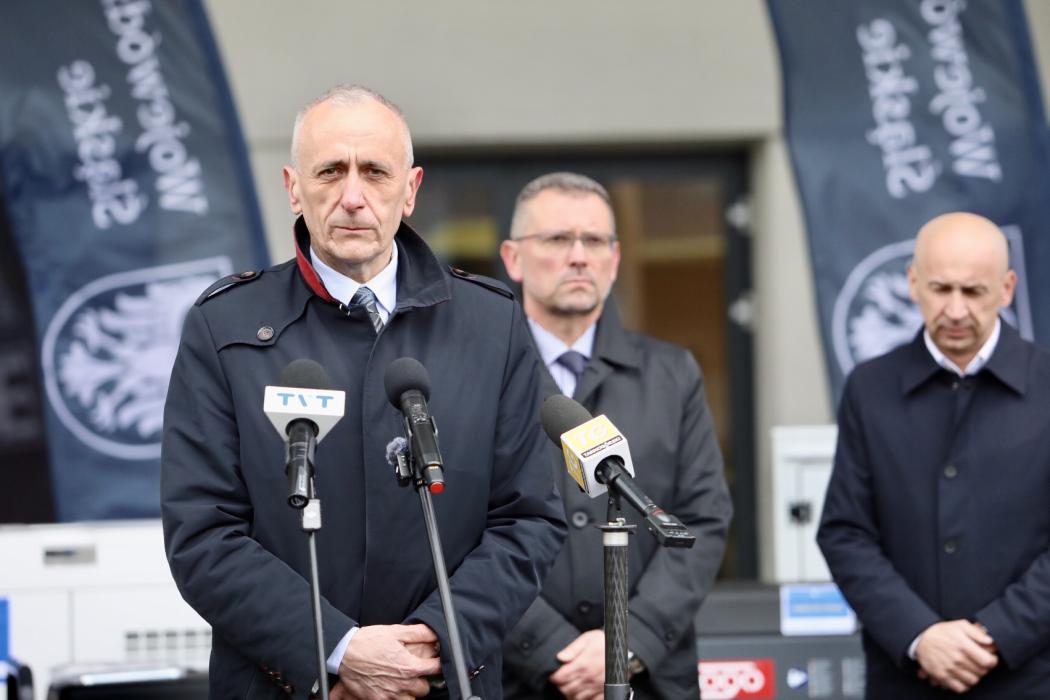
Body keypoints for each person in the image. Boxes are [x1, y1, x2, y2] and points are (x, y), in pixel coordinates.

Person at [161, 85, 567, 700]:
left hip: (443, 682)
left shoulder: (491, 323)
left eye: (375, 172)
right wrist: (337, 651)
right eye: (330, 171)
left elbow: (528, 518)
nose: (352, 196)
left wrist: (429, 645)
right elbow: (202, 533)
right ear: (294, 187)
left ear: (411, 189)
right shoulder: (225, 326)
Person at [498, 172, 733, 699]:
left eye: (595, 240)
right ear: (513, 258)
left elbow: (702, 519)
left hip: (648, 677)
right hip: (518, 678)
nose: (579, 256)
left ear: (616, 257)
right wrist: (548, 647)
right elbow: (456, 532)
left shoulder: (671, 375)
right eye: (558, 239)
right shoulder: (480, 377)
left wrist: (629, 640)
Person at [818, 212, 1050, 698]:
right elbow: (845, 532)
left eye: (974, 291)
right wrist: (919, 635)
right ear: (913, 283)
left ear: (1007, 289)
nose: (956, 310)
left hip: (1030, 678)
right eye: (941, 289)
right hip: (906, 678)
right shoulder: (870, 389)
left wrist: (995, 635)